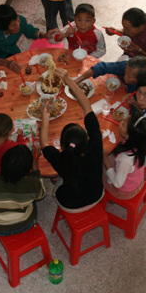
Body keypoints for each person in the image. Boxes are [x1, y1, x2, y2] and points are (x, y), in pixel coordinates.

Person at [40, 68, 104, 212]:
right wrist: (68, 80)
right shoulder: (96, 147)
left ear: (62, 147)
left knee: (59, 185)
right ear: (86, 140)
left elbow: (43, 143)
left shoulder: (62, 160)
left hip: (71, 204)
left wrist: (45, 116)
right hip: (97, 194)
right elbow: (87, 107)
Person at [0, 4, 58, 73]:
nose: (18, 26)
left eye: (18, 20)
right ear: (3, 28)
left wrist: (44, 35)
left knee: (22, 70)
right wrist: (6, 63)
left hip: (10, 51)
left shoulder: (19, 21)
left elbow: (31, 31)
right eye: (13, 25)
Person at [102, 112, 146, 199]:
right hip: (136, 180)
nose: (121, 122)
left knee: (100, 167)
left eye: (123, 123)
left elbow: (117, 183)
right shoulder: (140, 144)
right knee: (111, 157)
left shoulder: (125, 159)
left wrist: (106, 161)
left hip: (124, 191)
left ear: (128, 136)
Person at [74, 55, 146, 93]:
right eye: (125, 72)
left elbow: (143, 110)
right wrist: (78, 80)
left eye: (129, 76)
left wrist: (133, 101)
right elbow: (103, 67)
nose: (125, 77)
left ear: (140, 80)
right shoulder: (130, 66)